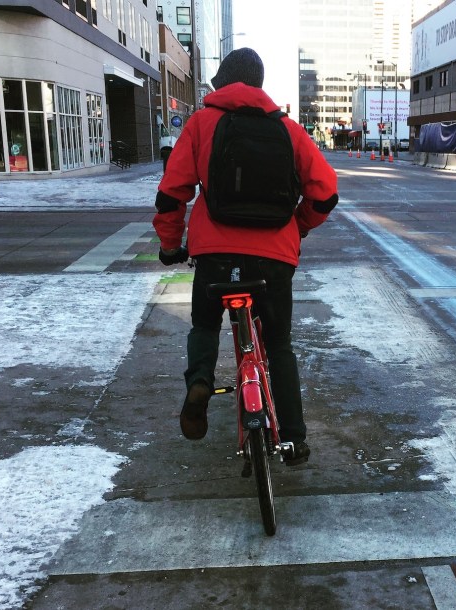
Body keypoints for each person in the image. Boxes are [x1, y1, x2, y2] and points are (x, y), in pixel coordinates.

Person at [153, 48, 338, 466]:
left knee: (203, 323)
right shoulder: (288, 129)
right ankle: (293, 437)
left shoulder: (201, 123)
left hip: (214, 253)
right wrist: (299, 226)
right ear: (260, 84)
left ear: (221, 81)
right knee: (279, 344)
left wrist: (169, 245)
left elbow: (171, 194)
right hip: (274, 257)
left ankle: (200, 380)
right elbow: (325, 192)